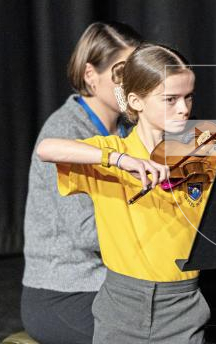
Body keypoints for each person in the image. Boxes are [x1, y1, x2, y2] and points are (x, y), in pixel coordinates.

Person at [36, 44, 216, 344]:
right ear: (136, 101)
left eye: (188, 97)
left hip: (183, 306)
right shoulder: (112, 153)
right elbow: (47, 149)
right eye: (170, 99)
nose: (184, 109)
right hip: (121, 307)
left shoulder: (199, 153)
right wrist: (121, 161)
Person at [21, 21, 143, 344]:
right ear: (91, 75)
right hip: (63, 292)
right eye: (121, 73)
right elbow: (88, 232)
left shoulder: (128, 130)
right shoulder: (63, 132)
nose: (131, 83)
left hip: (113, 284)